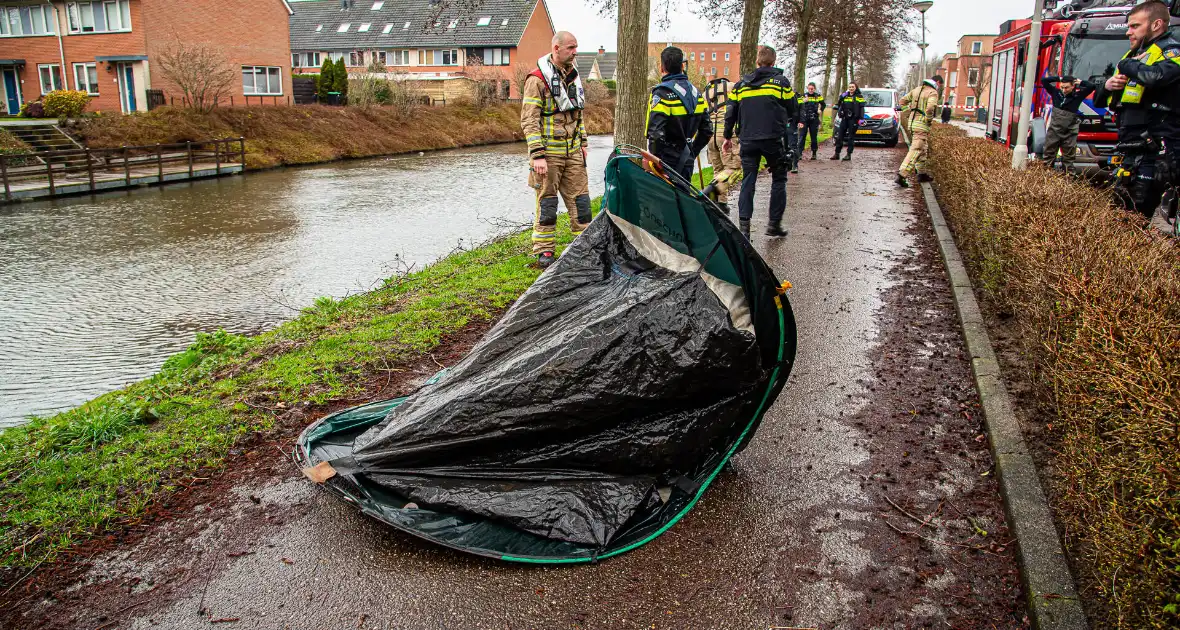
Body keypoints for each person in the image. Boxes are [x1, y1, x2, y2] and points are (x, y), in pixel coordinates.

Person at [1095, 0, 1180, 217]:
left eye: (1134, 26)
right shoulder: (1133, 55)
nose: (1128, 32)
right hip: (1131, 148)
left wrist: (1127, 66)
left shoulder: (1172, 51)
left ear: (1156, 24)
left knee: (1136, 214)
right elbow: (1101, 101)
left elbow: (1155, 77)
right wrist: (1107, 86)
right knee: (1123, 212)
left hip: (1157, 150)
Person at [521, 31, 591, 269]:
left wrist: (583, 143)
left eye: (576, 47)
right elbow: (529, 120)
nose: (575, 52)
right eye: (571, 47)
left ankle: (585, 248)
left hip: (572, 151)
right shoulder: (537, 79)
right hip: (548, 153)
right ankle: (545, 251)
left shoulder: (574, 77)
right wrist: (537, 155)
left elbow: (578, 114)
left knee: (581, 202)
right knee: (547, 203)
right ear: (556, 48)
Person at [723, 45, 798, 240]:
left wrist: (726, 136)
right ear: (774, 62)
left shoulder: (741, 85)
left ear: (757, 62)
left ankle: (745, 230)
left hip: (747, 139)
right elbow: (793, 108)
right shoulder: (780, 83)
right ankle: (774, 225)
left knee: (749, 180)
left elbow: (730, 112)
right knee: (779, 178)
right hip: (773, 139)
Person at [646, 46, 712, 182]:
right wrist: (693, 152)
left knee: (665, 200)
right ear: (683, 66)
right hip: (686, 158)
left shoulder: (662, 93)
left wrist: (656, 161)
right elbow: (707, 130)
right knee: (682, 198)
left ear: (662, 67)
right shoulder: (697, 94)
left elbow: (655, 133)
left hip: (665, 161)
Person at [701, 79, 743, 215]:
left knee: (718, 170)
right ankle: (711, 192)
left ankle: (721, 204)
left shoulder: (705, 93)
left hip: (710, 136)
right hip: (725, 134)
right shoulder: (732, 87)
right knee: (734, 168)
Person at [1040, 75, 1096, 172]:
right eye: (1062, 87)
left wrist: (1080, 82)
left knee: (1069, 159)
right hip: (1054, 130)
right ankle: (1046, 179)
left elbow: (1091, 86)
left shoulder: (1077, 96)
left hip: (1069, 131)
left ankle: (1068, 180)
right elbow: (1044, 81)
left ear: (1072, 86)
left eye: (1066, 87)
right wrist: (1058, 78)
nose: (1064, 90)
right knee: (1048, 157)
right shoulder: (1056, 93)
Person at [896, 75, 944, 188]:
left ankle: (921, 174)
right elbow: (930, 107)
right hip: (921, 125)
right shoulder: (932, 92)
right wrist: (928, 119)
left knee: (923, 148)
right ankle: (902, 175)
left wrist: (909, 113)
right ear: (937, 82)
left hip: (912, 124)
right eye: (940, 85)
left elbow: (902, 101)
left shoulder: (916, 90)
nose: (940, 87)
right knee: (916, 149)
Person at [831, 83, 866, 161]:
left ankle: (848, 154)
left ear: (856, 88)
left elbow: (862, 108)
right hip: (845, 118)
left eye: (852, 87)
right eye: (850, 87)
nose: (851, 88)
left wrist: (861, 118)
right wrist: (841, 97)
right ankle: (837, 153)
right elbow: (839, 104)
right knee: (840, 136)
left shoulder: (859, 96)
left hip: (853, 119)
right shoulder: (845, 96)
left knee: (851, 137)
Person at [797, 82, 826, 161]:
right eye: (809, 88)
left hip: (814, 119)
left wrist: (820, 110)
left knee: (813, 137)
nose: (810, 90)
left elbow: (823, 104)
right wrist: (803, 101)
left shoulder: (818, 96)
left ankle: (814, 153)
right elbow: (797, 104)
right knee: (802, 136)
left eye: (812, 89)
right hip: (804, 119)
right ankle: (799, 153)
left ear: (814, 89)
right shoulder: (803, 96)